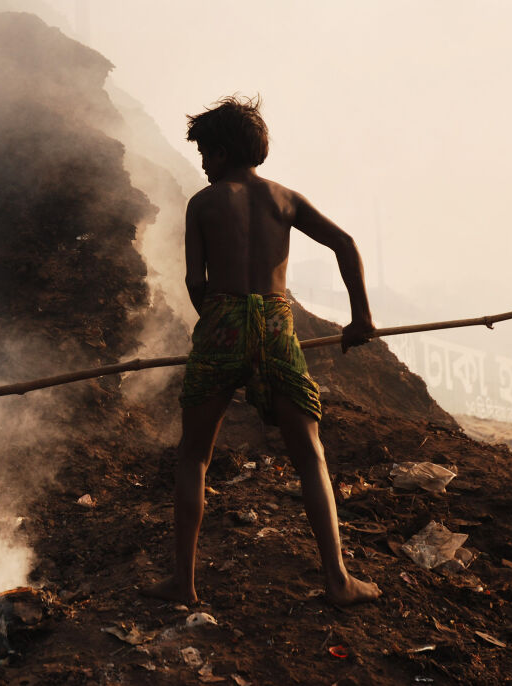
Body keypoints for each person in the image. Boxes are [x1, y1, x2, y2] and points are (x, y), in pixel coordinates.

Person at [145, 96, 382, 606]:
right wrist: (360, 318)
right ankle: (338, 581)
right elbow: (344, 243)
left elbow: (194, 280)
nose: (203, 164)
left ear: (225, 151)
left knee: (194, 455)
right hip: (276, 325)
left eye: (206, 153)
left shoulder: (203, 204)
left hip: (222, 321)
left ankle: (184, 584)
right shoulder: (285, 199)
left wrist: (218, 321)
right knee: (310, 456)